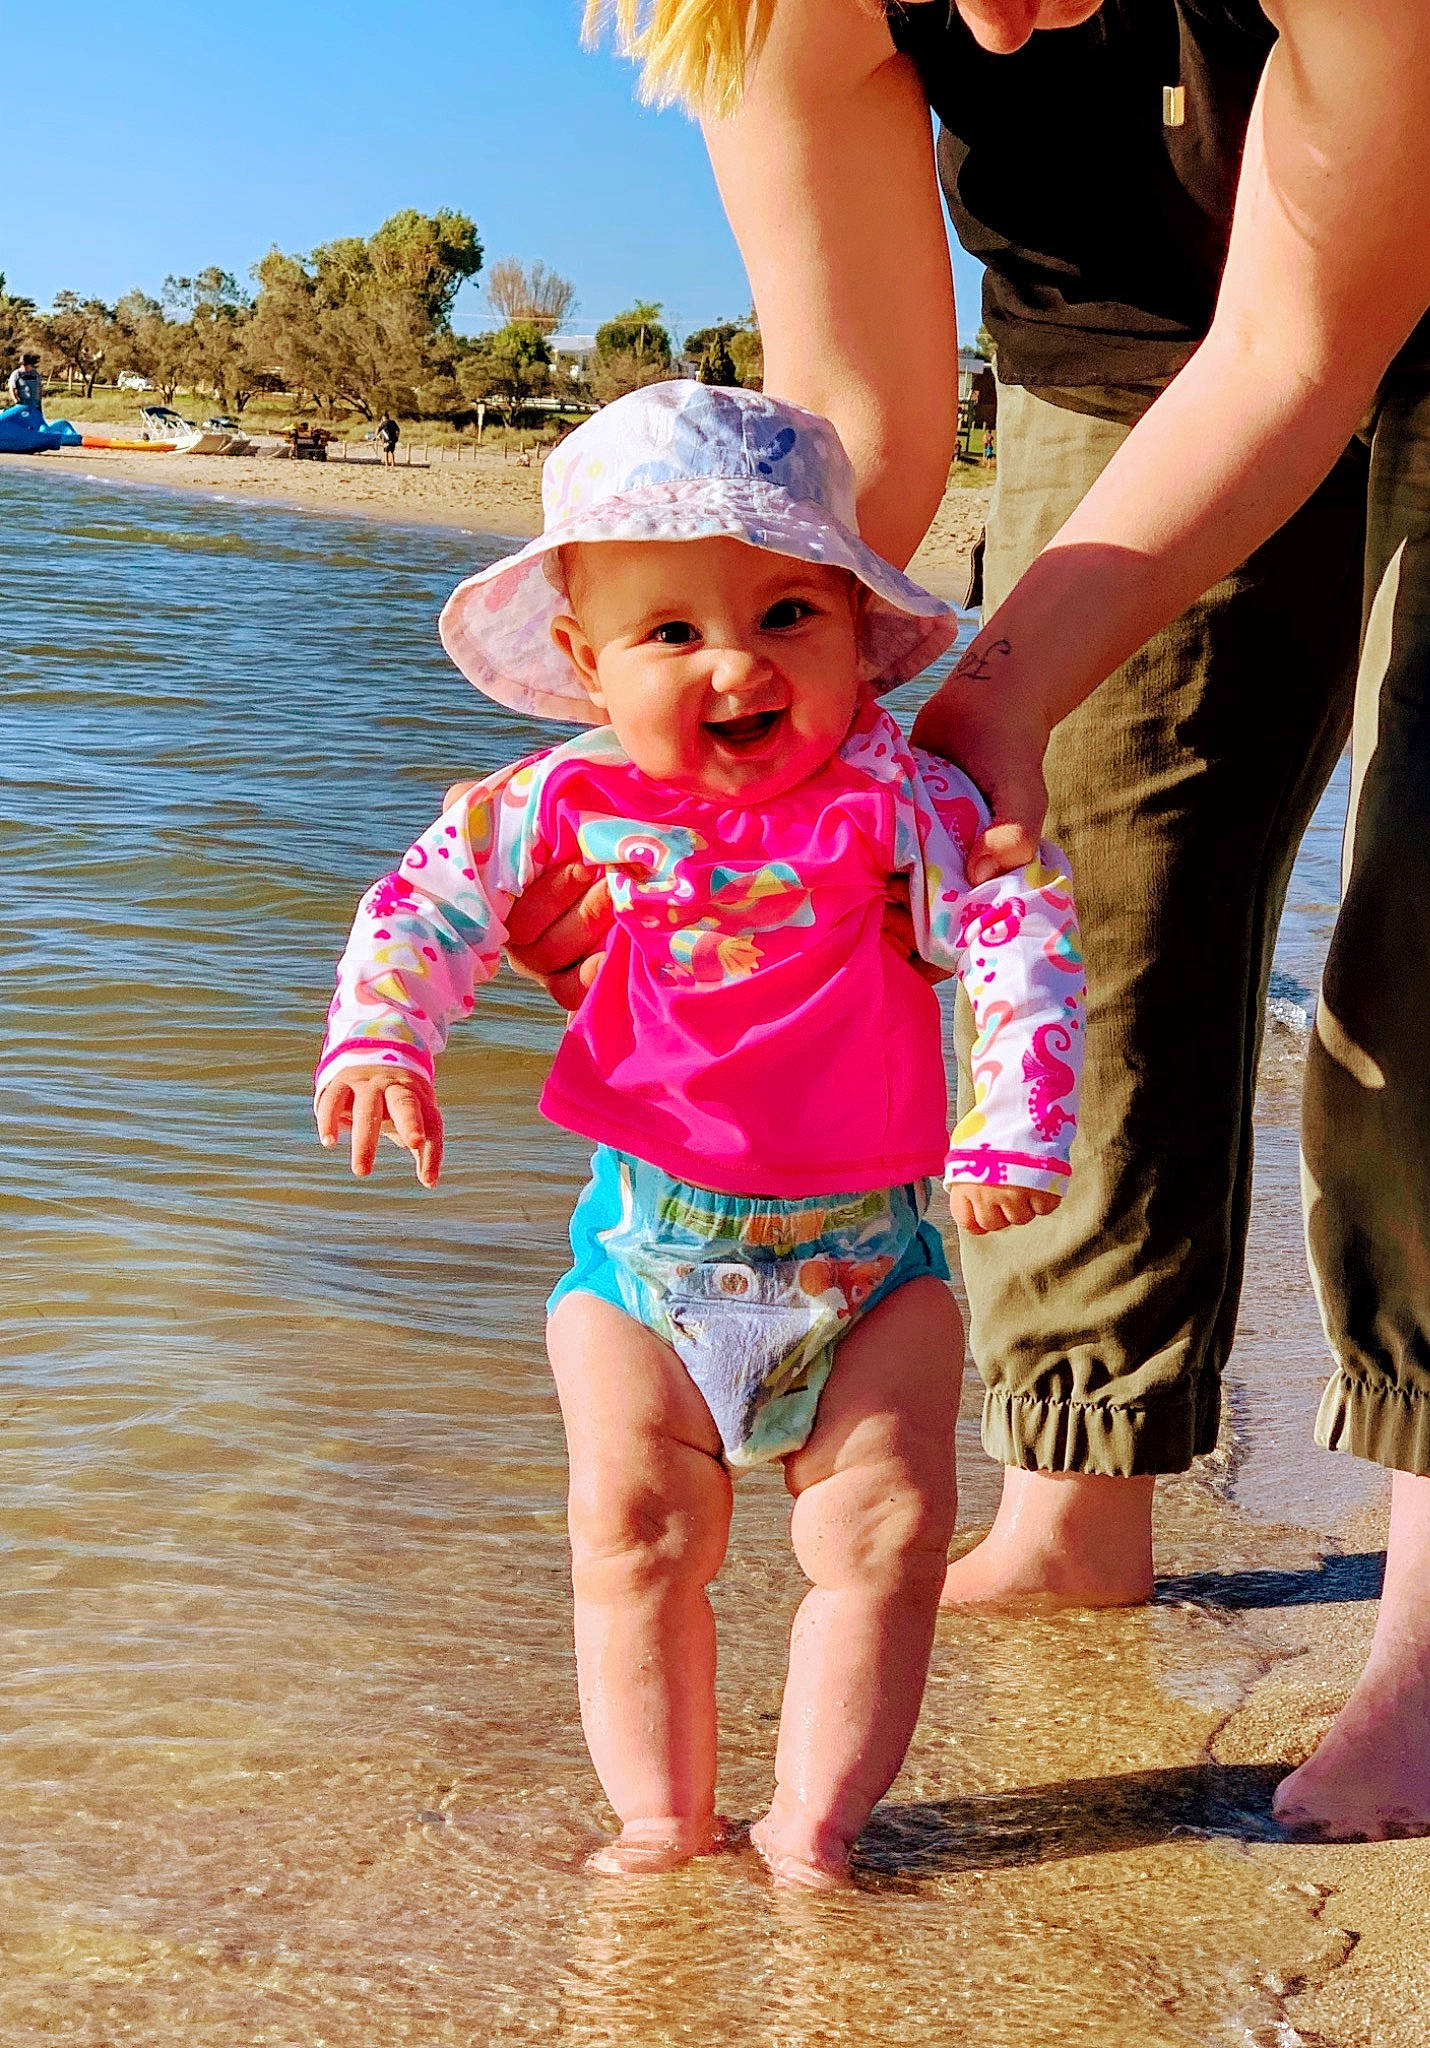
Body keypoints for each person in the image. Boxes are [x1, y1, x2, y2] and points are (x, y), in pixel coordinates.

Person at [544, 0, 1430, 1843]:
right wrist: (732, 768)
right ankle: (1077, 1498)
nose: (992, 24)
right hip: (1122, 334)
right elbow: (850, 453)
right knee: (1085, 848)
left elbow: (1304, 346)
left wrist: (992, 684)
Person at [313, 381, 1085, 1886]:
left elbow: (1016, 920)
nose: (735, 663)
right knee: (632, 1529)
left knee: (886, 1534)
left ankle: (815, 1828)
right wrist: (386, 1038)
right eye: (672, 634)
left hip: (874, 1256)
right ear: (590, 665)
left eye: (789, 613)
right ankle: (663, 1820)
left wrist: (1015, 1127)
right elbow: (427, 901)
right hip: (642, 1250)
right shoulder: (560, 800)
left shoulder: (901, 795)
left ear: (863, 637)